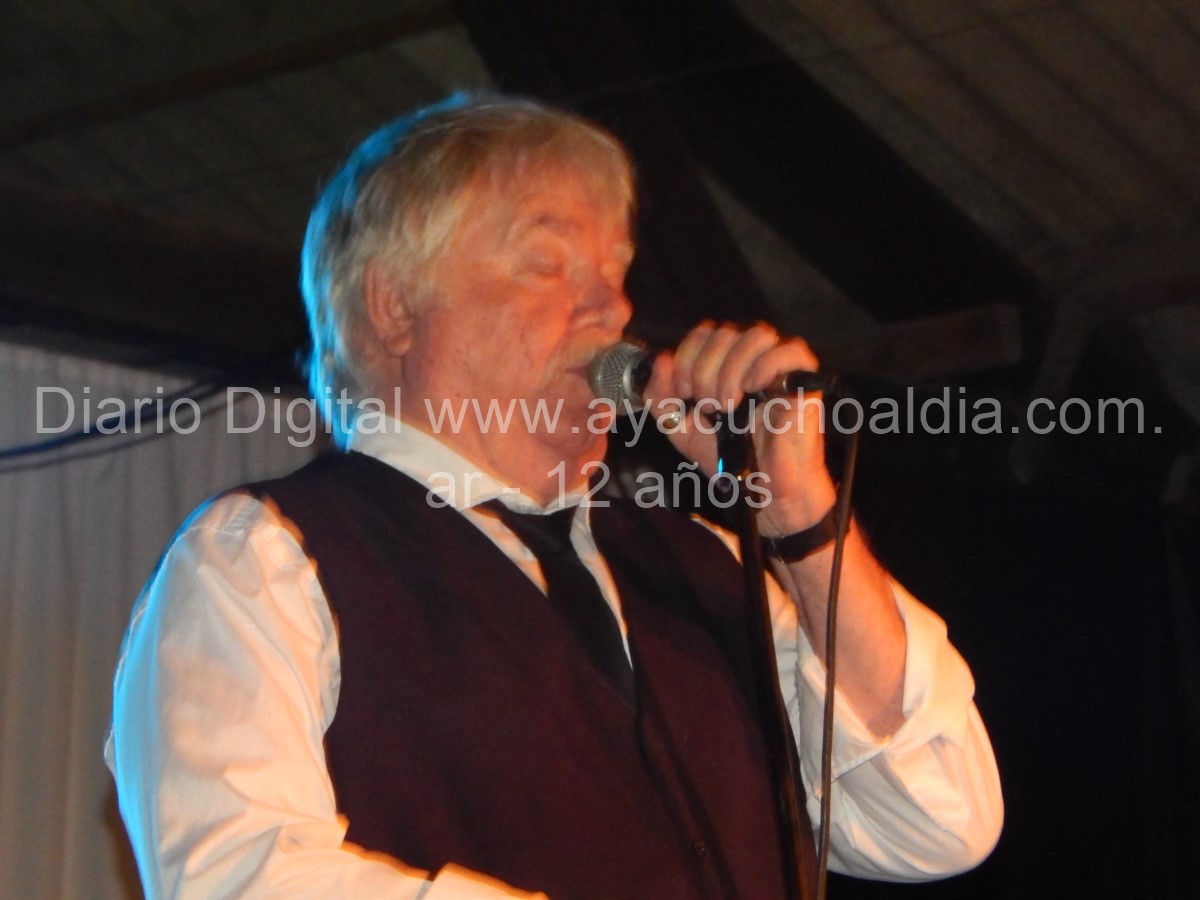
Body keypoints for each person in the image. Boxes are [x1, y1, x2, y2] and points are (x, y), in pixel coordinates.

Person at [106, 95, 1002, 899]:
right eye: (545, 264)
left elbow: (940, 821)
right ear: (393, 308)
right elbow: (235, 875)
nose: (610, 308)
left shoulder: (705, 563)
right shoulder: (261, 560)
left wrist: (799, 519)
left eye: (615, 271)